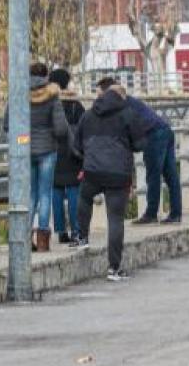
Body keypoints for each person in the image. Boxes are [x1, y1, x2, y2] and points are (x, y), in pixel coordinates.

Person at [71, 83, 148, 281]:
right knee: (115, 219)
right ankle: (114, 268)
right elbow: (140, 144)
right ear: (121, 97)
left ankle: (82, 237)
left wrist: (89, 156)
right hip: (118, 173)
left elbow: (76, 145)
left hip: (93, 170)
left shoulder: (88, 115)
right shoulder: (128, 114)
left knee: (85, 197)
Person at [22, 64, 69, 251]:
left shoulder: (18, 94)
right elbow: (61, 128)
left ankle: (25, 237)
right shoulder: (52, 96)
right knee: (44, 193)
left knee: (30, 194)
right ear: (46, 76)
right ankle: (42, 240)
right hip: (48, 149)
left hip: (25, 150)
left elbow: (9, 124)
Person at [123, 84, 182, 224]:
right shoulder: (131, 101)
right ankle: (176, 214)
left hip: (154, 135)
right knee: (171, 176)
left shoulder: (122, 107)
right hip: (164, 129)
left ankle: (151, 214)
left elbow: (129, 131)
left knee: (153, 175)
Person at [48, 68, 86, 242]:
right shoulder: (74, 104)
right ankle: (76, 230)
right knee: (73, 192)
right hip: (72, 152)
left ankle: (60, 231)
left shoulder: (49, 101)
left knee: (55, 192)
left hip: (53, 150)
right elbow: (84, 127)